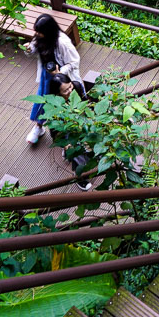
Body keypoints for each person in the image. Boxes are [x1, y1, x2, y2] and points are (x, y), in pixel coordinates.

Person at [26, 13, 83, 145]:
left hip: (61, 78)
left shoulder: (63, 42)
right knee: (42, 100)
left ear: (48, 31)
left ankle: (69, 134)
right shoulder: (41, 38)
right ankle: (38, 127)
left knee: (64, 102)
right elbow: (35, 48)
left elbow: (75, 61)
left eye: (39, 32)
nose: (37, 34)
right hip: (46, 75)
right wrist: (30, 49)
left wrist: (59, 71)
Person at [45, 72, 93, 190]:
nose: (70, 91)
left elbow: (85, 102)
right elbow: (55, 133)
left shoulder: (76, 86)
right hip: (66, 129)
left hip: (81, 121)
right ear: (57, 94)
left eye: (70, 86)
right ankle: (79, 176)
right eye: (65, 91)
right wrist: (67, 145)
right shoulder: (53, 107)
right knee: (77, 151)